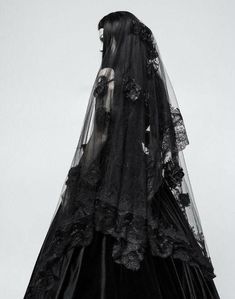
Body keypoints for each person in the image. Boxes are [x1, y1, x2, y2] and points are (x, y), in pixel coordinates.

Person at [23, 11, 220, 298]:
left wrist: (80, 178)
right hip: (142, 181)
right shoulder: (153, 80)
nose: (104, 47)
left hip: (107, 177)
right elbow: (163, 133)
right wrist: (146, 165)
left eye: (107, 40)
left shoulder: (108, 76)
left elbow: (101, 134)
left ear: (119, 41)